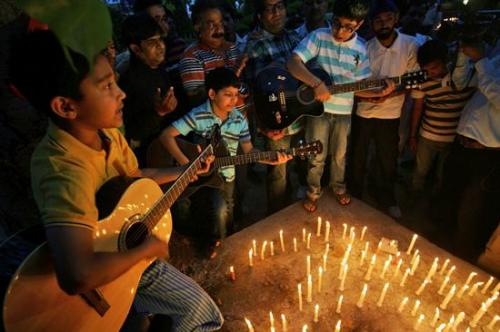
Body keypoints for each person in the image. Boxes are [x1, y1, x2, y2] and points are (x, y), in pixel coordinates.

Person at [10, 29, 223, 331]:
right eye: (107, 86)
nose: (121, 93)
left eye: (115, 81)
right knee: (203, 314)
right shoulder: (63, 168)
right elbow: (78, 275)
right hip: (102, 276)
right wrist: (145, 250)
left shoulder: (106, 132)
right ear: (66, 106)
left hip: (125, 258)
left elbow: (135, 180)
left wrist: (188, 170)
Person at [159, 67, 291, 256]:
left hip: (227, 173)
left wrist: (269, 159)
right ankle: (212, 242)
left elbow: (249, 150)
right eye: (228, 95)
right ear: (212, 94)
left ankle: (226, 239)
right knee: (211, 209)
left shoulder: (239, 120)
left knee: (227, 207)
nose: (234, 100)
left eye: (236, 95)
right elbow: (166, 135)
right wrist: (185, 164)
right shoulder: (198, 115)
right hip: (202, 176)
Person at [287, 0, 386, 212]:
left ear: (358, 25)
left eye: (348, 26)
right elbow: (293, 63)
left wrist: (378, 93)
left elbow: (358, 86)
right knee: (316, 156)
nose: (339, 30)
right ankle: (313, 191)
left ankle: (338, 187)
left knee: (340, 155)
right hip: (318, 110)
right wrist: (317, 83)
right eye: (336, 23)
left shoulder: (360, 49)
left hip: (343, 113)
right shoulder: (319, 36)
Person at [350, 0, 418, 219]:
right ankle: (355, 195)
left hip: (391, 114)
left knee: (387, 159)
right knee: (357, 156)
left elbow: (411, 80)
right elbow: (357, 83)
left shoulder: (410, 45)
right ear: (371, 24)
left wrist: (389, 92)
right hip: (363, 112)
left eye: (388, 18)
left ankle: (386, 197)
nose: (383, 24)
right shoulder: (365, 48)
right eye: (378, 20)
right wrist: (372, 94)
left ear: (396, 18)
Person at [438, 39, 500, 263]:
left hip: (486, 151)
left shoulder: (487, 61)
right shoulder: (495, 57)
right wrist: (465, 55)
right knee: (449, 195)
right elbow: (461, 83)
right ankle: (438, 247)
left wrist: (480, 60)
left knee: (471, 208)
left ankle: (460, 258)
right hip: (461, 142)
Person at [244, 0, 303, 214]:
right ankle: (277, 220)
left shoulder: (295, 38)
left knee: (305, 165)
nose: (276, 12)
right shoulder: (255, 45)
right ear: (260, 15)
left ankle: (298, 215)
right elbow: (254, 92)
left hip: (303, 115)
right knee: (278, 174)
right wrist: (263, 125)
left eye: (280, 5)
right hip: (277, 122)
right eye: (269, 8)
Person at [409, 40, 475, 194]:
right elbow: (417, 107)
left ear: (447, 60)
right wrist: (413, 135)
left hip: (454, 137)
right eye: (427, 69)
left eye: (435, 67)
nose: (431, 73)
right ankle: (415, 196)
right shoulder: (422, 80)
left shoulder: (465, 77)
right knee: (420, 171)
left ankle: (437, 202)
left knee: (443, 174)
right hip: (428, 135)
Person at [119, 13, 178, 165]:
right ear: (136, 48)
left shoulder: (160, 69)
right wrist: (158, 112)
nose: (161, 46)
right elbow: (134, 133)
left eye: (160, 39)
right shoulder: (128, 82)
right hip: (151, 159)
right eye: (152, 42)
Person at [179, 0, 246, 109]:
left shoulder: (232, 48)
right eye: (212, 25)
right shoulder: (191, 57)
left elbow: (243, 87)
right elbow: (196, 100)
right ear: (197, 27)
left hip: (242, 121)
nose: (219, 29)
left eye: (220, 23)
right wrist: (230, 78)